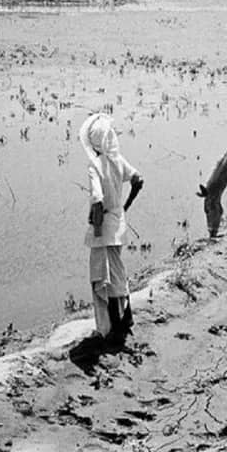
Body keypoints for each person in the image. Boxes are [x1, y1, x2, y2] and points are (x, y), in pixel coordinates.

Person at [79, 112, 144, 347]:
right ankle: (125, 320)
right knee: (116, 271)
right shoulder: (117, 160)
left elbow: (97, 200)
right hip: (117, 223)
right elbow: (138, 180)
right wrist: (124, 207)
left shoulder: (95, 165)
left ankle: (110, 328)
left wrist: (97, 230)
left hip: (104, 226)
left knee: (102, 278)